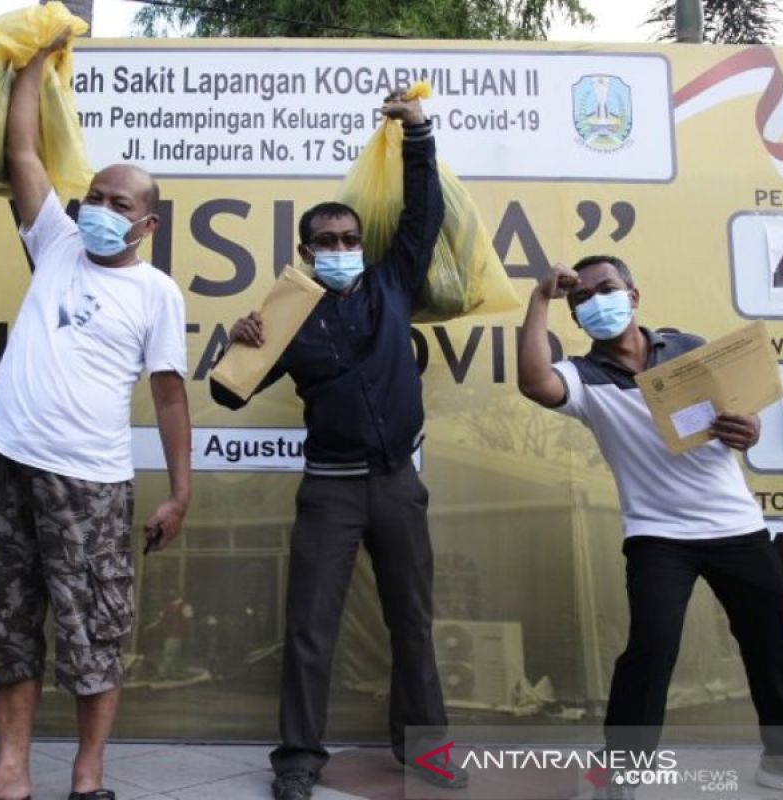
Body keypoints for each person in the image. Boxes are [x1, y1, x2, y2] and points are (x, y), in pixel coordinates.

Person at [0, 33, 191, 800]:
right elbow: (22, 151)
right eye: (95, 196)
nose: (99, 210)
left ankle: (88, 779)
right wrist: (33, 61)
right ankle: (10, 773)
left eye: (119, 203)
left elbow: (168, 395)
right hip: (13, 462)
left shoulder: (156, 293)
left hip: (91, 483)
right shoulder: (54, 242)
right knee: (8, 622)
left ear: (146, 224)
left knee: (94, 630)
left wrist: (179, 490)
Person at [211, 92, 466, 799]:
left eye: (349, 239)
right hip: (328, 489)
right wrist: (239, 345)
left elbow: (425, 212)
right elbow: (228, 395)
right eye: (326, 241)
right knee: (310, 629)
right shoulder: (285, 312)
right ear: (305, 251)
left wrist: (416, 133)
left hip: (396, 485)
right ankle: (297, 759)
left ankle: (425, 749)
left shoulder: (391, 282)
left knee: (412, 620)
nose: (341, 250)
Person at [517, 255, 783, 797]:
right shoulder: (581, 377)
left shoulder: (690, 349)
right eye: (580, 298)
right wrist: (540, 298)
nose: (594, 302)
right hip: (659, 537)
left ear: (633, 296)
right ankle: (623, 773)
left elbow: (742, 418)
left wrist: (746, 429)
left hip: (737, 526)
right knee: (651, 649)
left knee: (770, 643)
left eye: (605, 289)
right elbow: (535, 382)